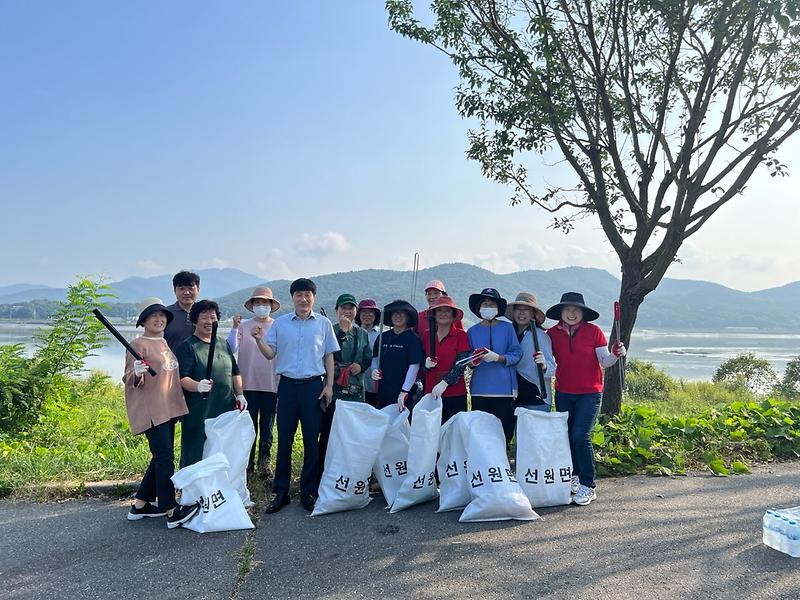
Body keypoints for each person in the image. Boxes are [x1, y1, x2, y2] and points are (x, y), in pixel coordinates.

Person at [252, 278, 339, 514]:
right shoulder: (280, 324)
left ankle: (309, 491)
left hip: (313, 387)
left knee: (312, 441)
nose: (303, 299)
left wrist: (329, 386)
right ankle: (281, 491)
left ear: (314, 297)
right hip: (288, 387)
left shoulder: (323, 324)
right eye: (299, 294)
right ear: (292, 297)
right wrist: (259, 340)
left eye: (308, 294)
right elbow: (270, 354)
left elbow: (329, 356)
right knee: (285, 440)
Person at [123, 297, 200, 528]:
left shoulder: (163, 342)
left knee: (160, 456)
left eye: (162, 315)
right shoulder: (138, 345)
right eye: (153, 316)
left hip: (166, 409)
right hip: (151, 410)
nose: (159, 319)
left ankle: (140, 505)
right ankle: (170, 509)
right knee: (165, 457)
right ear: (144, 321)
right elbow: (128, 378)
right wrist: (136, 371)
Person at [546, 292, 626, 506]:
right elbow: (550, 365)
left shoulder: (594, 331)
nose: (572, 313)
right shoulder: (551, 333)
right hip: (563, 392)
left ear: (583, 313)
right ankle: (574, 475)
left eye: (576, 310)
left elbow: (605, 361)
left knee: (581, 435)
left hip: (590, 393)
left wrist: (616, 354)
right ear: (561, 313)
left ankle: (588, 485)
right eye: (567, 310)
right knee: (568, 436)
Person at [175, 299, 248, 468]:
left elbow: (235, 371)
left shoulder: (222, 344)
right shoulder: (188, 346)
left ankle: (219, 488)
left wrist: (240, 394)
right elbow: (182, 378)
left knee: (222, 448)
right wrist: (197, 385)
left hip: (225, 406)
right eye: (204, 317)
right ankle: (192, 489)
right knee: (196, 447)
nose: (209, 322)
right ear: (194, 321)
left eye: (213, 317)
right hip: (199, 408)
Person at [227, 286, 281, 478]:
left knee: (267, 428)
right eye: (257, 303)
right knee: (249, 429)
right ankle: (247, 467)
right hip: (247, 385)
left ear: (271, 305)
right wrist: (234, 327)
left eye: (265, 303)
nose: (261, 306)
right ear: (252, 306)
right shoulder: (243, 325)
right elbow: (231, 347)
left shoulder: (278, 325)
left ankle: (265, 466)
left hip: (271, 385)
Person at [318, 293, 373, 480]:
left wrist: (361, 367)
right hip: (333, 389)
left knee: (354, 433)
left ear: (356, 311)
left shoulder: (363, 334)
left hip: (356, 389)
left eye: (351, 308)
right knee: (329, 432)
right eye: (343, 308)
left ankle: (353, 474)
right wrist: (342, 332)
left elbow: (367, 357)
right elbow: (326, 355)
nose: (347, 311)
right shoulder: (329, 330)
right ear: (336, 310)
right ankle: (323, 475)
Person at [466, 288, 522, 445]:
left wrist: (499, 358)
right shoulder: (472, 331)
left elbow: (517, 354)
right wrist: (473, 361)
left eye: (492, 304)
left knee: (505, 432)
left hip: (504, 390)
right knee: (481, 432)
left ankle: (502, 466)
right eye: (485, 303)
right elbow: (468, 357)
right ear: (479, 307)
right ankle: (484, 466)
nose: (488, 306)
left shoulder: (508, 328)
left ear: (497, 308)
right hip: (480, 390)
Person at [421, 295, 471, 424]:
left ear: (453, 315)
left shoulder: (461, 335)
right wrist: (425, 365)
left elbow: (461, 364)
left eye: (447, 310)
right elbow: (420, 364)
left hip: (455, 393)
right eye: (439, 310)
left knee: (453, 433)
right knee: (431, 432)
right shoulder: (427, 335)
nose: (443, 314)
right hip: (431, 392)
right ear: (434, 314)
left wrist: (445, 383)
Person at [506, 292, 556, 411]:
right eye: (518, 309)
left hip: (537, 398)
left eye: (526, 309)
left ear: (533, 314)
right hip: (513, 397)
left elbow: (552, 367)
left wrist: (544, 365)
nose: (521, 313)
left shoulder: (540, 336)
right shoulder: (508, 334)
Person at [370, 300, 423, 410]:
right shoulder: (382, 337)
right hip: (383, 391)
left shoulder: (413, 339)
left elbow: (414, 367)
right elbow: (375, 359)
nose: (398, 316)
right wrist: (374, 370)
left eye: (402, 313)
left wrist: (404, 391)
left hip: (404, 394)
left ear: (408, 317)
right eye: (395, 313)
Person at [164, 270, 200, 351]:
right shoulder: (165, 313)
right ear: (175, 291)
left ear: (198, 289)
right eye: (181, 289)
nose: (186, 292)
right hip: (172, 362)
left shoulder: (205, 313)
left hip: (200, 363)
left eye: (191, 288)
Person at [355, 298, 382, 407]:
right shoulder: (353, 333)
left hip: (374, 384)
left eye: (370, 312)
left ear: (375, 315)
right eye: (363, 312)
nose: (367, 315)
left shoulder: (381, 335)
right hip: (356, 382)